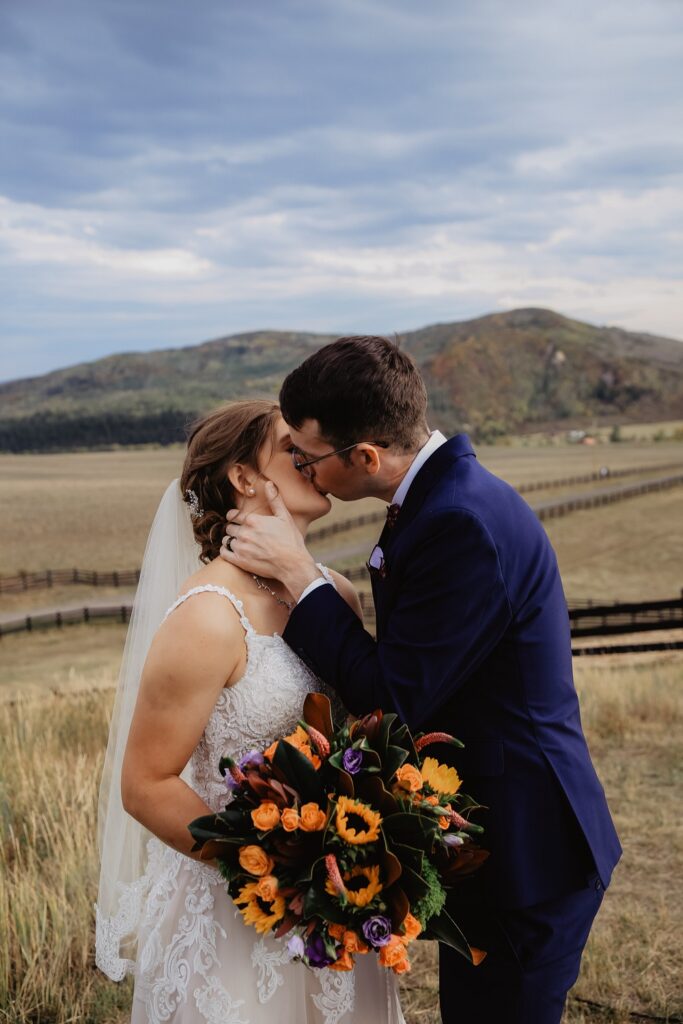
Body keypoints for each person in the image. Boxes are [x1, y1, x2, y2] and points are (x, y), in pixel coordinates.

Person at [220, 336, 623, 1024]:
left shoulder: (458, 521)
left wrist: (297, 575)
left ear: (366, 457)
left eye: (308, 456)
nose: (301, 470)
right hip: (503, 841)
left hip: (530, 852)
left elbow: (393, 697)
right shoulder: (443, 499)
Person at [95, 399, 406, 1024]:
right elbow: (145, 785)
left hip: (339, 901)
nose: (315, 461)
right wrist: (274, 874)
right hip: (240, 909)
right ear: (243, 477)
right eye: (295, 452)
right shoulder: (208, 615)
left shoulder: (333, 593)